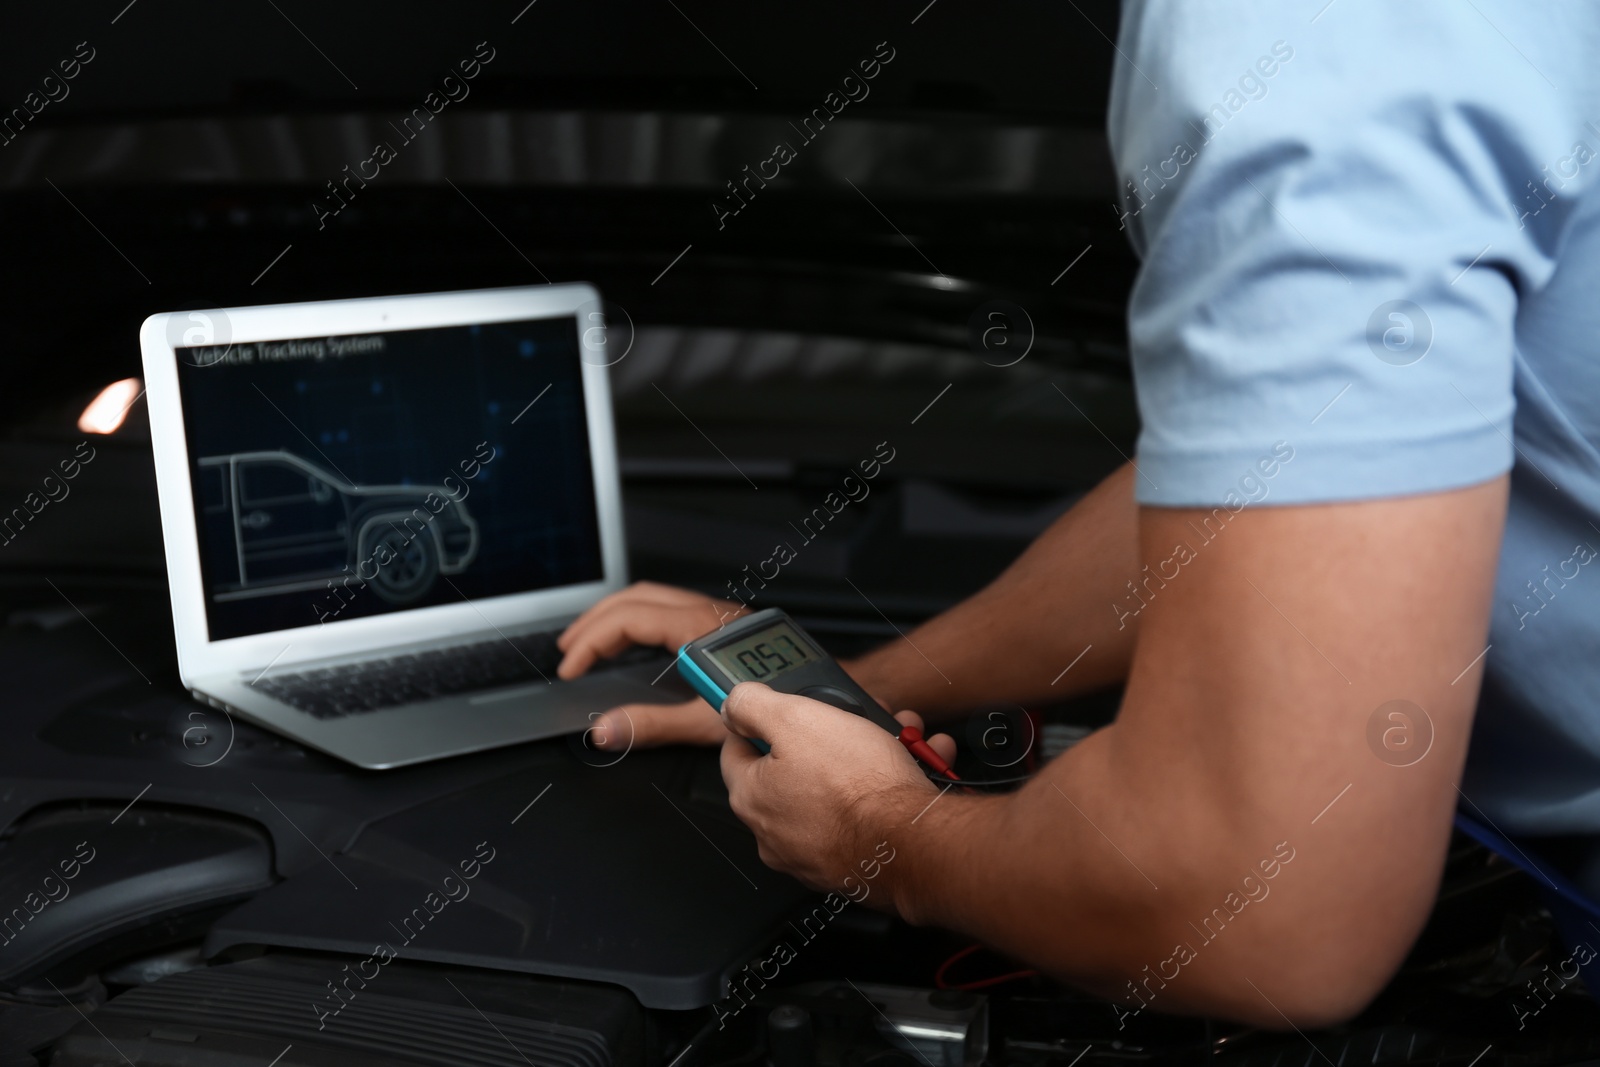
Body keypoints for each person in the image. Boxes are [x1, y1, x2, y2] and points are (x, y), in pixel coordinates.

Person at [556, 1, 1600, 1028]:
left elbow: (1261, 910)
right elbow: (1270, 482)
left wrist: (887, 834)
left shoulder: (1300, 39)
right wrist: (853, 692)